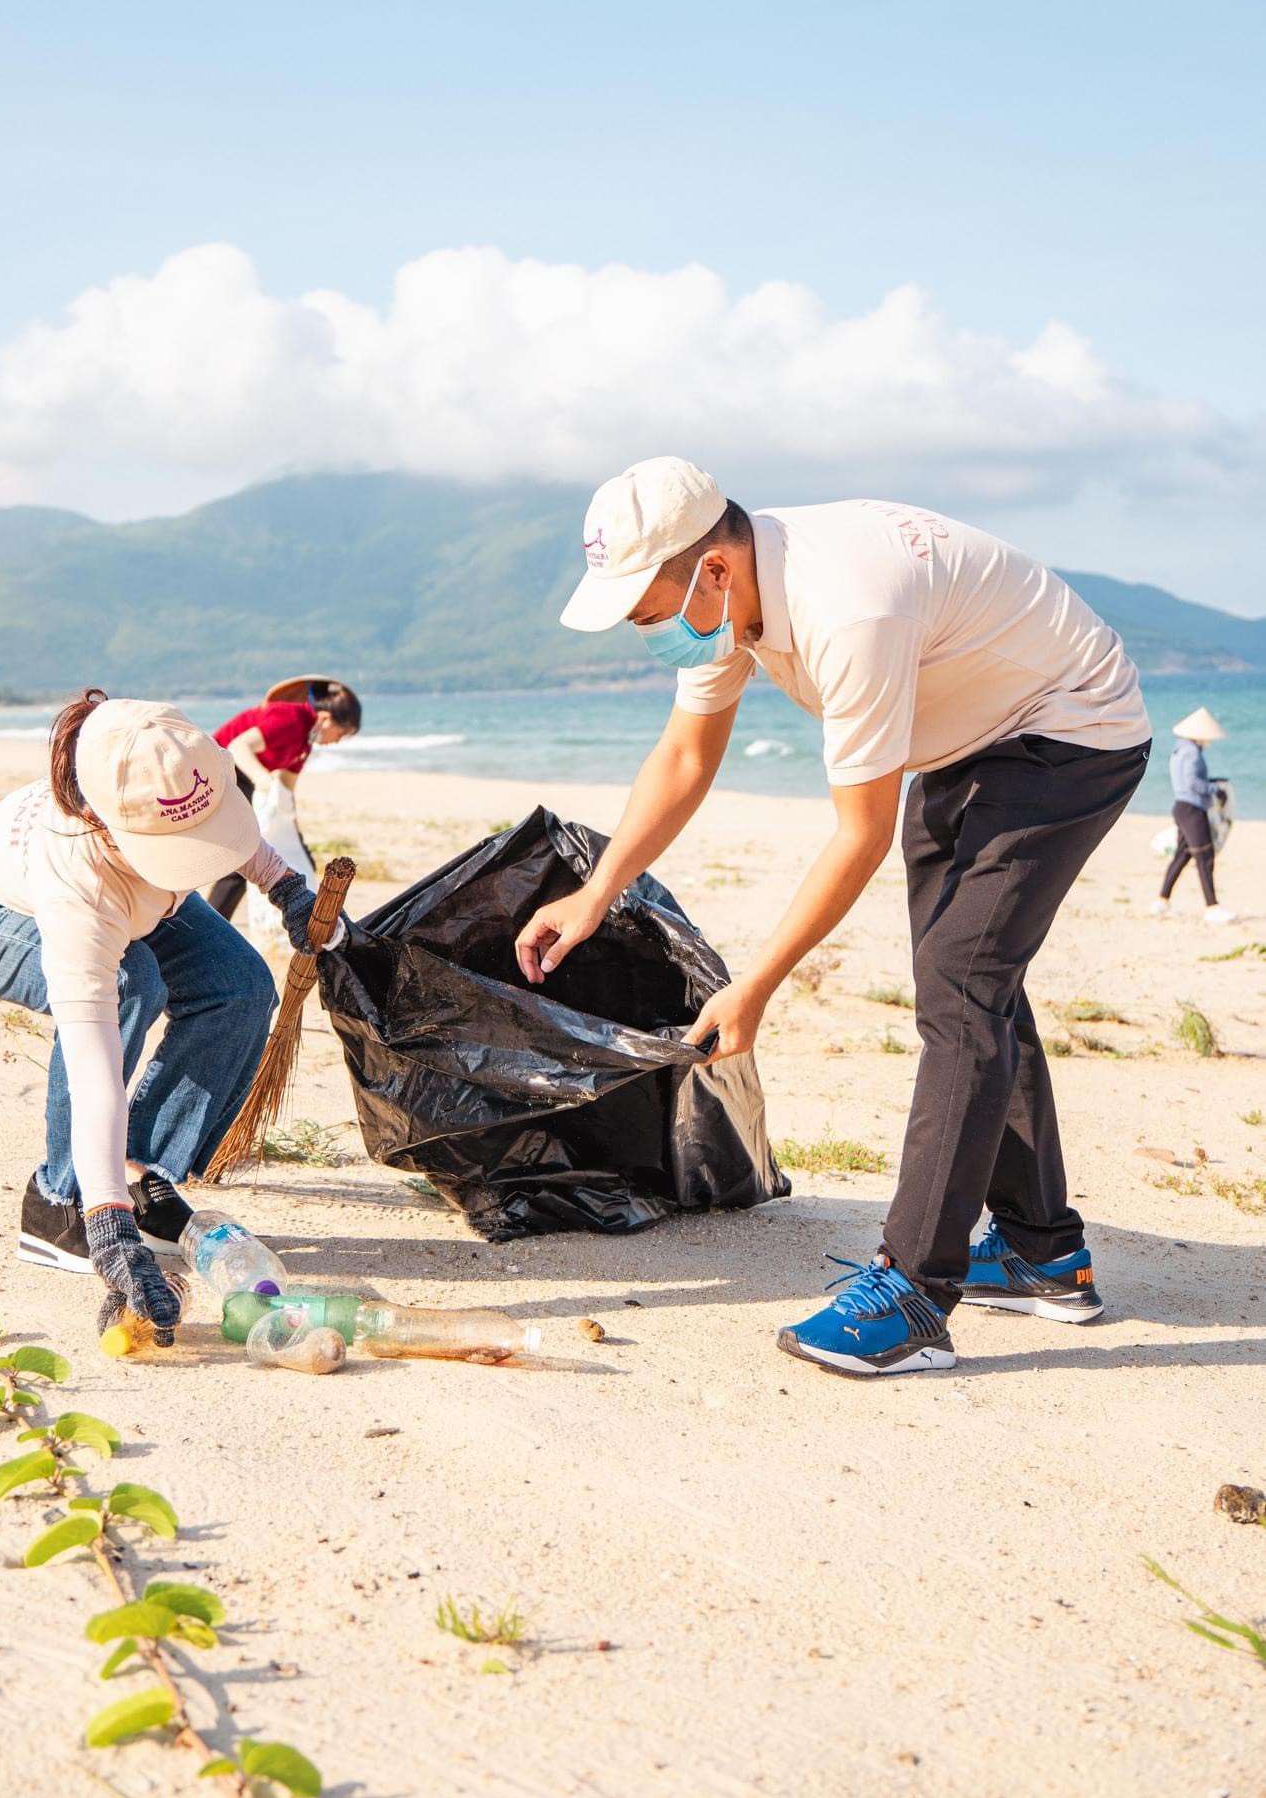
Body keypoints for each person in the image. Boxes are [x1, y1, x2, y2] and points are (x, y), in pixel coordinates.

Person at [516, 460, 1151, 1380]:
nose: (636, 627)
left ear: (714, 570)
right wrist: (595, 891)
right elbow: (687, 756)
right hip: (965, 734)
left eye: (642, 609)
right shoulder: (729, 603)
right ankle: (1042, 1253)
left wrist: (755, 986)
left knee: (960, 987)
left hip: (1066, 731)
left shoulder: (845, 607)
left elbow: (858, 836)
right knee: (969, 979)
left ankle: (914, 1292)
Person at [0, 691, 339, 1345]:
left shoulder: (154, 754)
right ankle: (61, 1203)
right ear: (103, 820)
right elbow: (94, 1066)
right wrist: (107, 1226)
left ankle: (138, 1171)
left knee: (237, 988)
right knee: (129, 985)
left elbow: (227, 827)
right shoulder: (76, 879)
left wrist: (286, 885)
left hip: (140, 894)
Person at [207, 677, 362, 923]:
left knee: (285, 855)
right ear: (325, 719)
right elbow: (238, 747)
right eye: (341, 733)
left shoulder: (305, 742)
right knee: (244, 854)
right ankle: (211, 926)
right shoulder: (291, 718)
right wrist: (265, 782)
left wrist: (297, 839)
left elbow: (287, 792)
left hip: (243, 778)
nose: (337, 741)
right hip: (219, 771)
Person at [1150, 707, 1235, 925]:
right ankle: (1212, 907)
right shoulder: (1192, 752)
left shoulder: (1180, 749)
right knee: (1205, 857)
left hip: (1182, 806)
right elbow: (1193, 783)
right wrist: (1216, 790)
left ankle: (1162, 901)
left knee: (1183, 856)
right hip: (1192, 809)